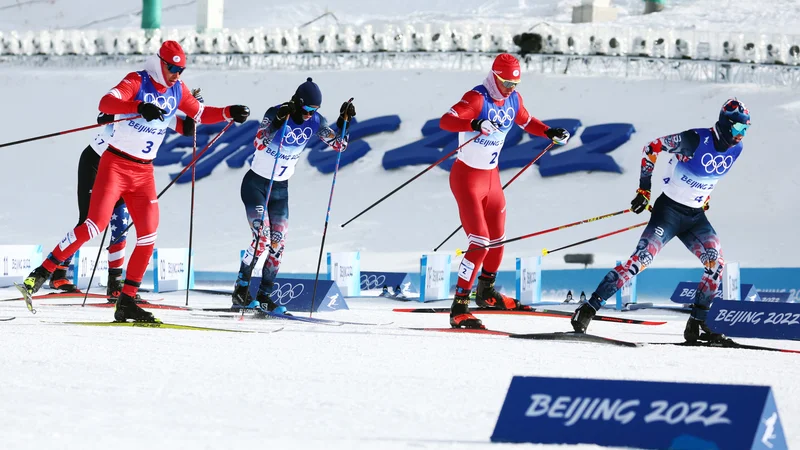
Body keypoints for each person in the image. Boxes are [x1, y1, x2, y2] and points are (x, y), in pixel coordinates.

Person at [21, 40, 250, 322]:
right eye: (173, 68)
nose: (177, 73)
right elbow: (105, 102)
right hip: (114, 164)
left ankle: (126, 299)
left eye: (181, 69)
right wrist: (139, 105)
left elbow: (199, 115)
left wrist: (229, 111)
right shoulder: (137, 80)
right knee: (93, 225)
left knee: (149, 234)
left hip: (144, 173)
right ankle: (40, 274)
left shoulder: (178, 89)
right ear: (160, 63)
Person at [570, 98, 750, 343]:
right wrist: (644, 190)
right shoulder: (694, 139)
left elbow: (709, 176)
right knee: (640, 260)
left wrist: (703, 197)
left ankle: (697, 323)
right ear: (726, 124)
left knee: (716, 264)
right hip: (669, 212)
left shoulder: (736, 149)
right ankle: (589, 308)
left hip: (695, 217)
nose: (741, 135)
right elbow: (652, 147)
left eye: (746, 130)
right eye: (739, 129)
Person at [439, 53, 571, 329]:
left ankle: (486, 293)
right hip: (467, 179)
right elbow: (447, 121)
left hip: (492, 179)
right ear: (495, 77)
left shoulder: (513, 99)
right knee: (480, 242)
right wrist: (474, 123)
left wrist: (549, 132)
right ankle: (459, 307)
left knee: (498, 241)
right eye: (507, 83)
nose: (511, 88)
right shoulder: (477, 98)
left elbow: (527, 120)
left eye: (515, 84)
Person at [49, 90, 202, 301]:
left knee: (120, 225)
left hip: (126, 171)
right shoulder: (140, 101)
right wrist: (135, 111)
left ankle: (115, 284)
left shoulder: (164, 113)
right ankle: (58, 271)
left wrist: (194, 112)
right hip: (96, 163)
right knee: (89, 222)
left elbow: (186, 127)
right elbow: (103, 115)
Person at [231, 77, 353, 314]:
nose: (309, 114)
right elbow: (258, 143)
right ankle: (241, 289)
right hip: (256, 184)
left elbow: (340, 146)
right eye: (307, 108)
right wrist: (276, 123)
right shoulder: (276, 112)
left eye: (314, 110)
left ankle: (265, 295)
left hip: (280, 189)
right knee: (262, 239)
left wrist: (345, 121)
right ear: (297, 102)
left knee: (278, 244)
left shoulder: (316, 121)